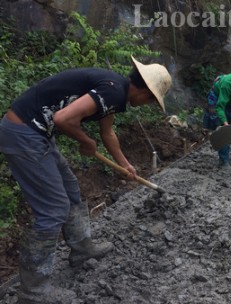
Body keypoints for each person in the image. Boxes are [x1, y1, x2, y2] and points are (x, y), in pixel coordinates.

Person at [0, 56, 172, 303]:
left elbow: (107, 132)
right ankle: (33, 290)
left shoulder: (115, 90)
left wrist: (125, 164)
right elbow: (62, 119)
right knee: (53, 209)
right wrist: (85, 141)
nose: (147, 105)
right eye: (151, 101)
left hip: (38, 133)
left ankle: (81, 248)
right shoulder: (113, 91)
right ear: (144, 92)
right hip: (24, 134)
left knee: (71, 190)